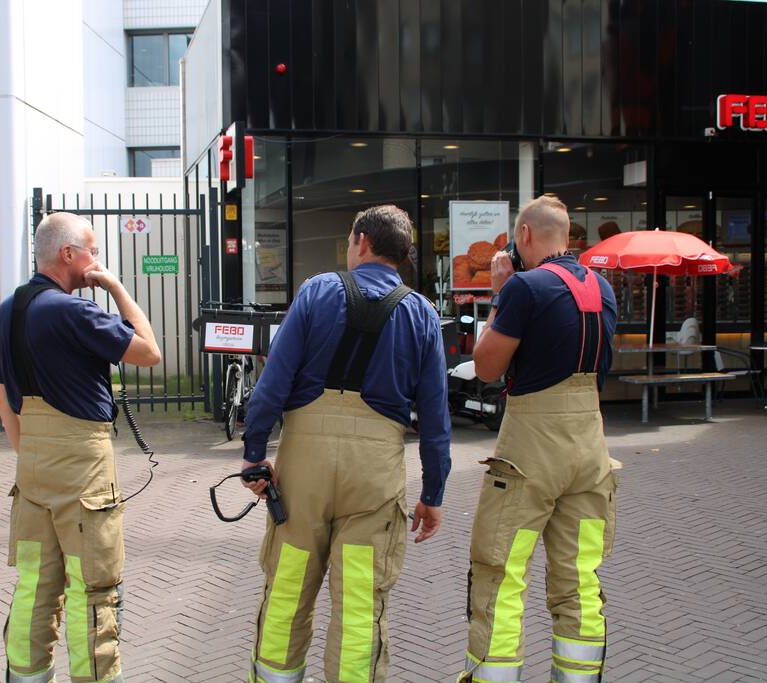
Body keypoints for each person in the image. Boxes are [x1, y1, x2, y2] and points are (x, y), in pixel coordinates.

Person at [240, 205, 451, 683]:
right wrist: (432, 494)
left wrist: (254, 455)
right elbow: (436, 420)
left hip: (303, 470)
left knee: (288, 588)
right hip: (374, 472)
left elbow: (273, 381)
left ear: (361, 240)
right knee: (359, 604)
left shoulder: (318, 290)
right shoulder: (421, 313)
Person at [0, 212, 161, 683]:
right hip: (81, 466)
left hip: (31, 467)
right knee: (93, 588)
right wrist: (116, 288)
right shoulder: (73, 311)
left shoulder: (7, 310)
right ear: (69, 255)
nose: (97, 260)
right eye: (94, 251)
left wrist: (28, 455)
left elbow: (1, 395)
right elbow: (149, 351)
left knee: (34, 586)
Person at [458, 196, 619, 683]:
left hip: (531, 450)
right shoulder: (603, 287)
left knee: (501, 571)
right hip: (591, 448)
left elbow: (487, 367)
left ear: (524, 236)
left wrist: (502, 290)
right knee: (579, 577)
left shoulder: (525, 288)